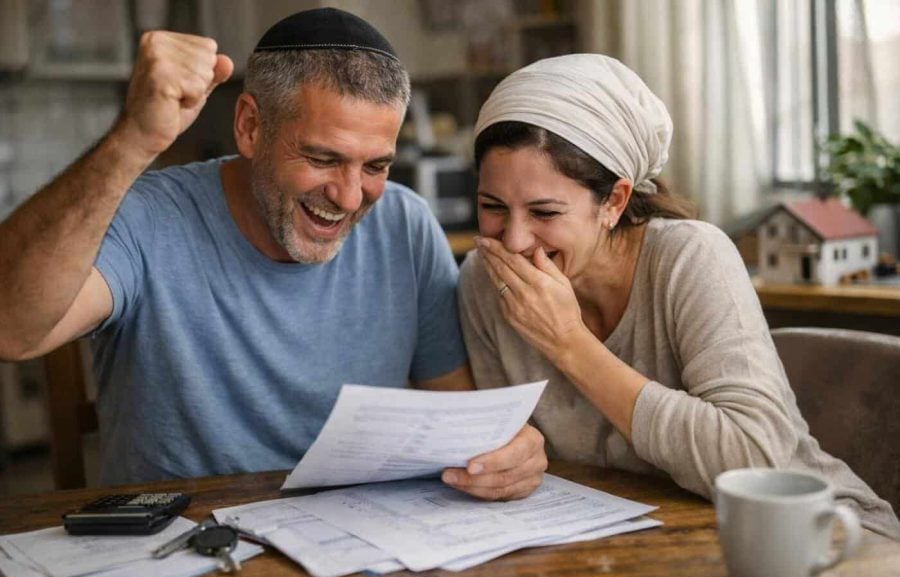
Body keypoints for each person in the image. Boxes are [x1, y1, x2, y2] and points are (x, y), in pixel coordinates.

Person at [0, 8, 545, 499]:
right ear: (250, 126)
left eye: (376, 166)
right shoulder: (148, 217)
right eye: (322, 157)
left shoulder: (403, 224)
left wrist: (504, 453)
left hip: (356, 548)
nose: (350, 197)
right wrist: (132, 141)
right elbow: (11, 330)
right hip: (181, 550)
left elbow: (453, 416)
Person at [458, 54, 900, 538]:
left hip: (814, 535)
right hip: (639, 542)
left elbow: (754, 457)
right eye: (492, 206)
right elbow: (513, 450)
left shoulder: (691, 257)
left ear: (614, 202)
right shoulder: (484, 278)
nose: (515, 239)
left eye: (544, 212)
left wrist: (569, 343)